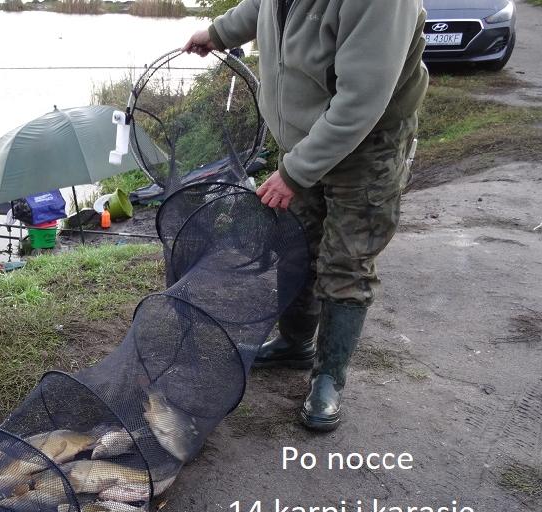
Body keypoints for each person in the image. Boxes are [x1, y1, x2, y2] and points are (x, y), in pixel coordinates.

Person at [183, 1, 428, 432]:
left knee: (345, 262)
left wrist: (294, 173)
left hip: (367, 147)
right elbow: (263, 6)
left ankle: (328, 378)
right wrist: (218, 33)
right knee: (297, 248)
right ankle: (295, 344)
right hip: (302, 140)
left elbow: (360, 101)